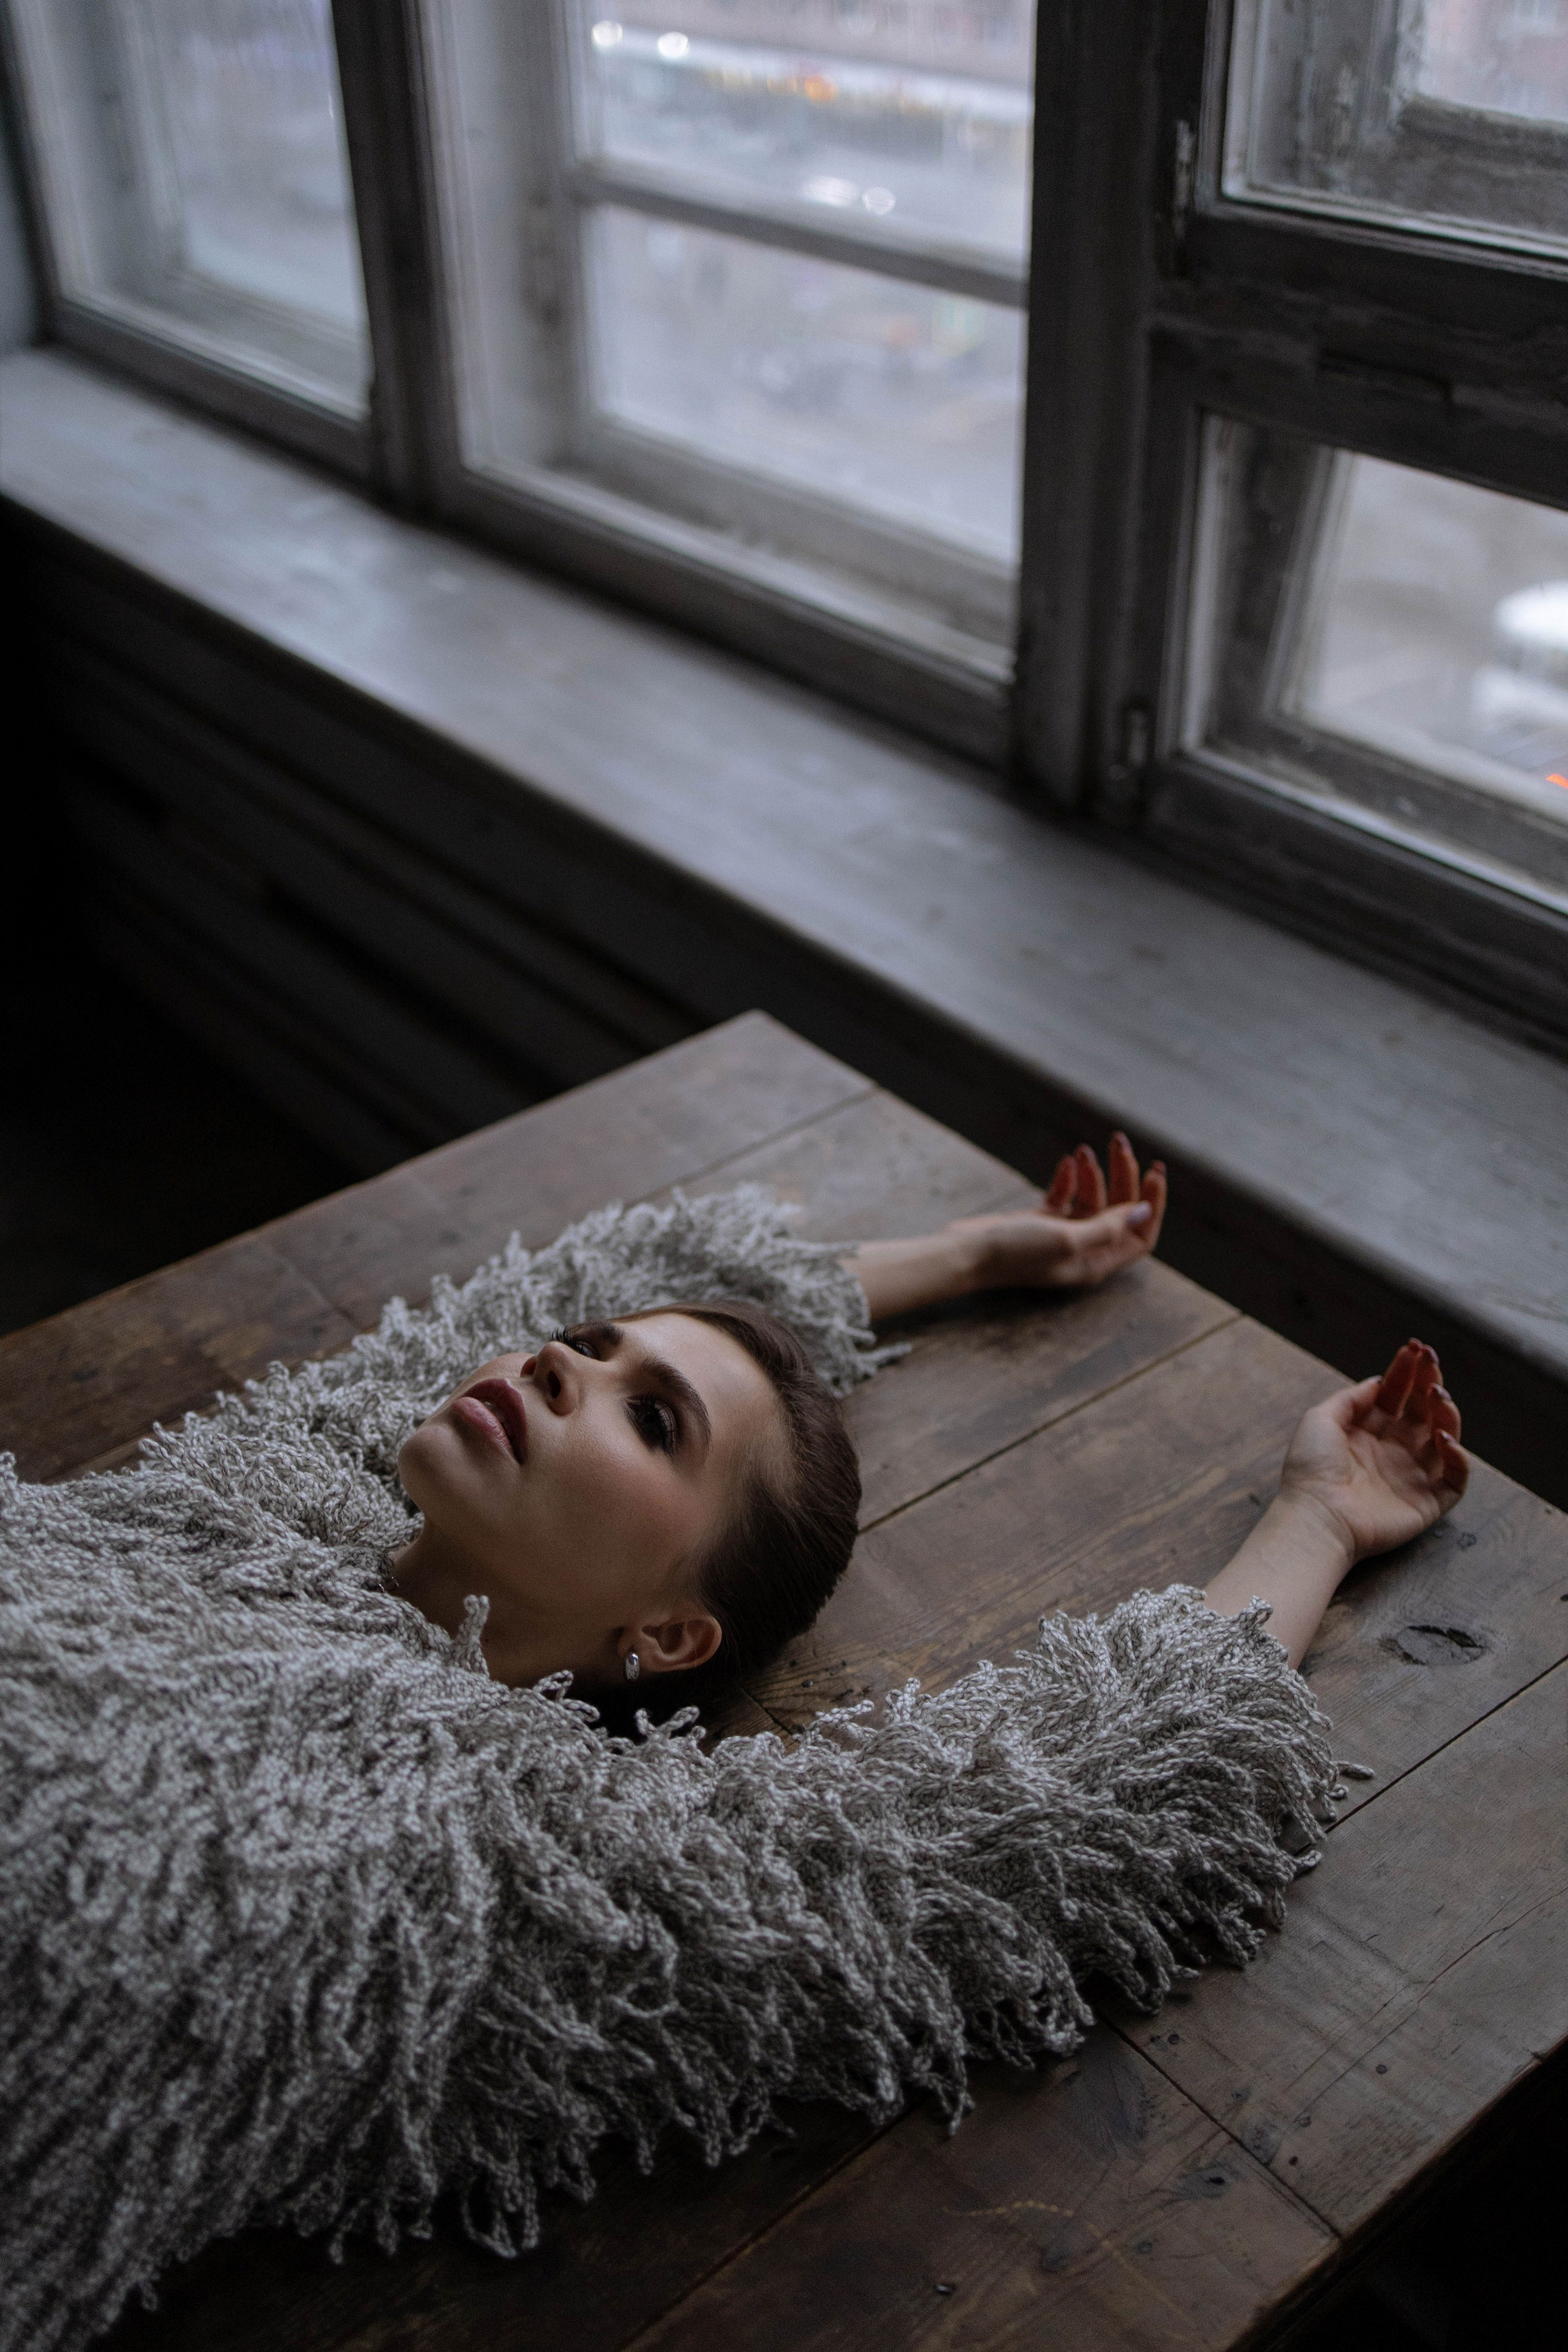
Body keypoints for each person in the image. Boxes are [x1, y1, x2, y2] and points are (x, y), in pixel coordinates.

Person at [0, 1138, 1467, 2352]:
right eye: (585, 1351)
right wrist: (973, 1252)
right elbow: (560, 1292)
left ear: (671, 1631)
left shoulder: (515, 1864)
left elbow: (1052, 1808)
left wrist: (1318, 1518)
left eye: (654, 1421)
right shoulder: (254, 1499)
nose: (559, 1362)